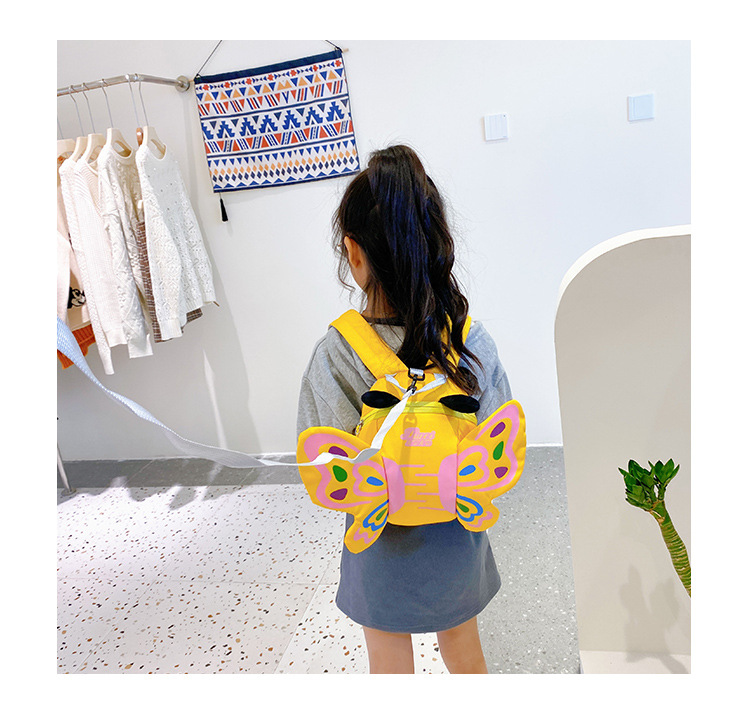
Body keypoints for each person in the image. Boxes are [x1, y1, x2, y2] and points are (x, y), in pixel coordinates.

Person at [296, 144, 513, 674]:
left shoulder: (337, 351)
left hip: (378, 539)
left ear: (353, 253)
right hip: (455, 532)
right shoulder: (469, 342)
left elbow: (322, 459)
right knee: (465, 650)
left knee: (387, 660)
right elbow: (499, 446)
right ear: (438, 242)